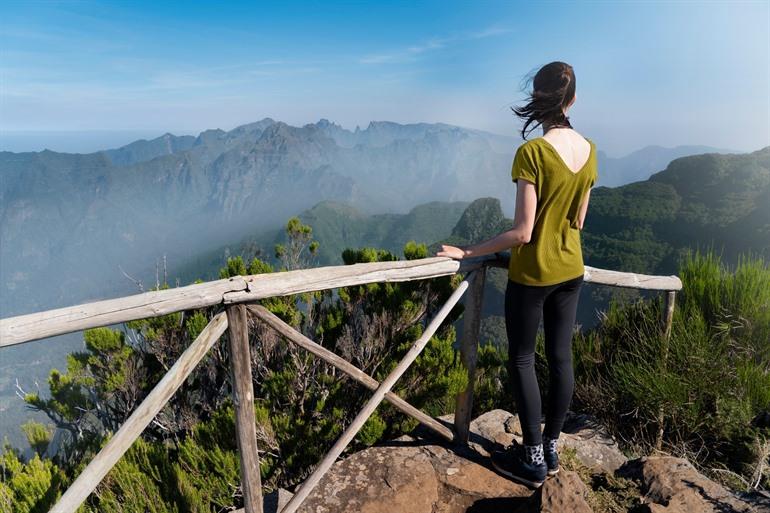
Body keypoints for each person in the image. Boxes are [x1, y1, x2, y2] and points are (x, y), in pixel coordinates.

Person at [435, 61, 597, 488]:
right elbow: (578, 219)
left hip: (535, 274)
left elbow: (523, 232)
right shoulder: (591, 150)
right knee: (561, 358)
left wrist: (468, 250)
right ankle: (553, 446)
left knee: (523, 358)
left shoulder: (533, 153)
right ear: (573, 100)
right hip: (572, 270)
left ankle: (532, 459)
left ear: (536, 99)